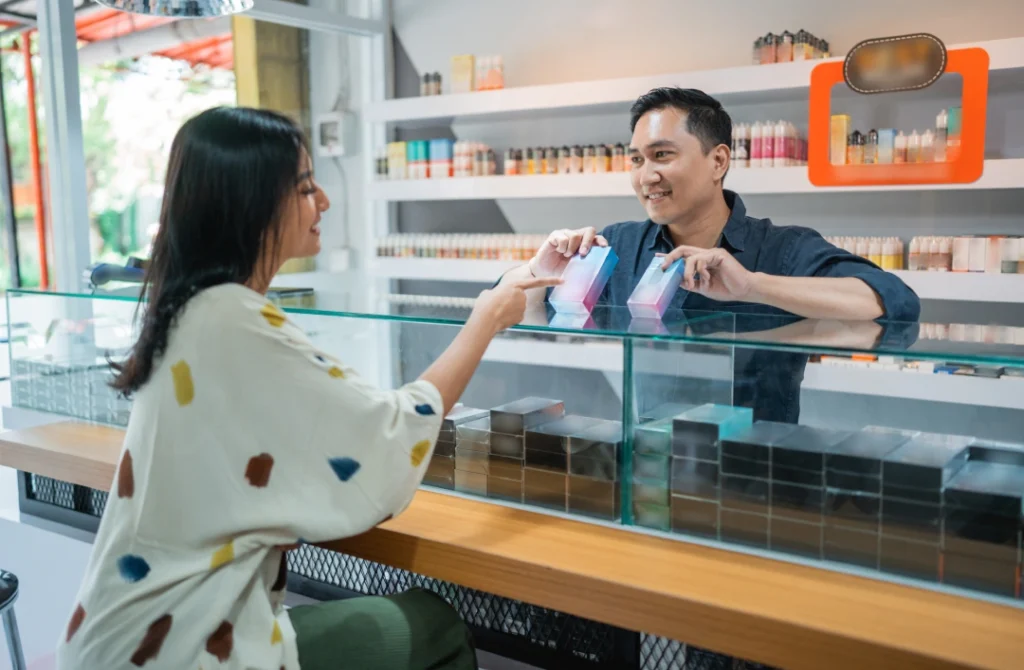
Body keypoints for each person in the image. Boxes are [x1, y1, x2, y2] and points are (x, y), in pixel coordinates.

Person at [55, 107, 558, 670]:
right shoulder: (232, 317)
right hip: (182, 647)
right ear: (253, 203)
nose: (323, 201)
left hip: (122, 637)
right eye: (304, 186)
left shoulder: (193, 309)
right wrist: (486, 318)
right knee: (431, 623)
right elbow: (385, 440)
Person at [501, 86, 921, 324]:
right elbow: (505, 308)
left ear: (718, 161)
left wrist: (753, 286)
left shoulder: (783, 249)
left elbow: (891, 299)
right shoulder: (617, 247)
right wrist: (540, 271)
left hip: (754, 465)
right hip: (649, 457)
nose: (646, 176)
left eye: (662, 155)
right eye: (636, 159)